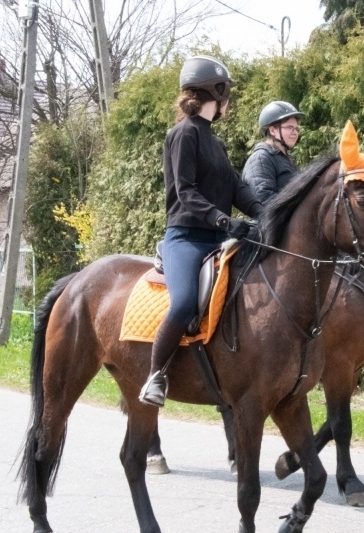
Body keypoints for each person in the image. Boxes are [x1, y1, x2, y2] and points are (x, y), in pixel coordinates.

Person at [139, 55, 263, 408]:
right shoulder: (182, 134)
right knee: (182, 304)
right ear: (218, 92)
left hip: (217, 239)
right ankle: (155, 376)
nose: (229, 103)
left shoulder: (216, 143)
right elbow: (186, 192)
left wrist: (266, 213)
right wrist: (224, 221)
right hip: (186, 237)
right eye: (228, 95)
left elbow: (237, 188)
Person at [241, 100, 305, 205]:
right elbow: (263, 198)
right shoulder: (260, 158)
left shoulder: (286, 159)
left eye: (296, 128)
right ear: (272, 130)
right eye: (289, 127)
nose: (295, 132)